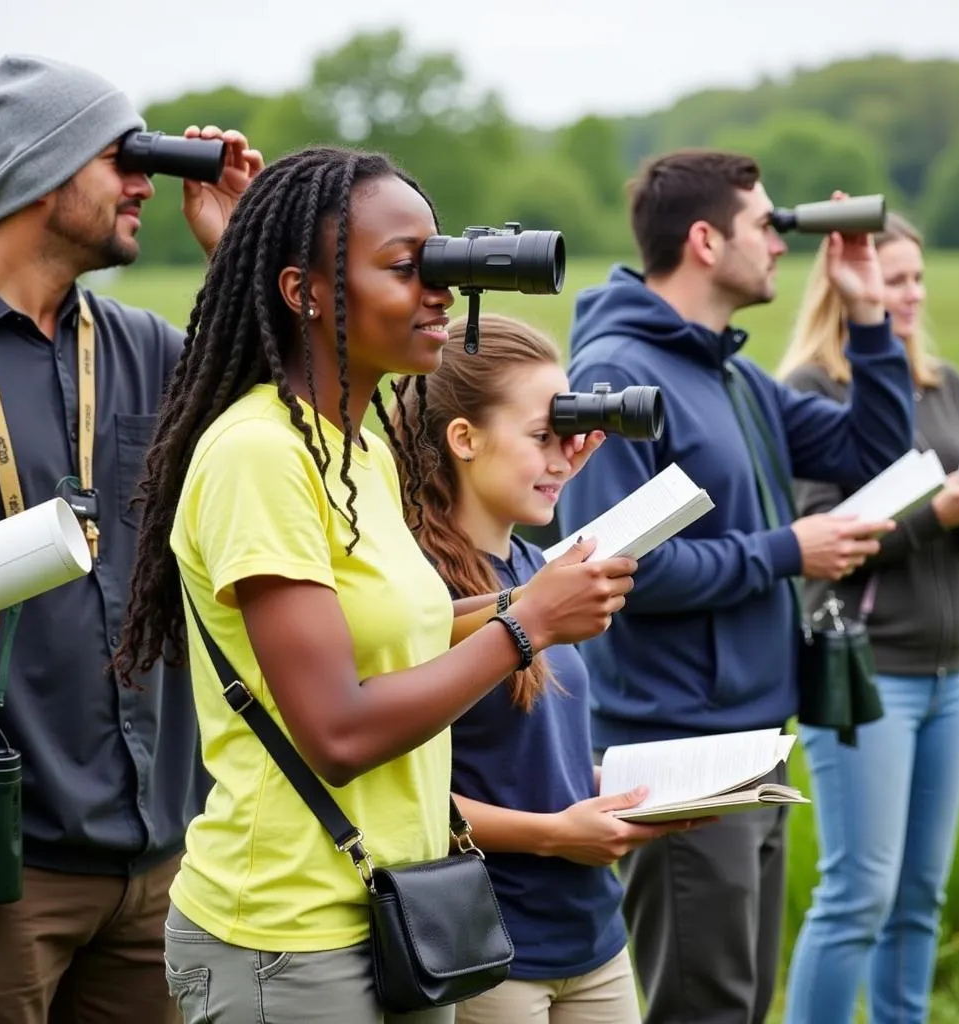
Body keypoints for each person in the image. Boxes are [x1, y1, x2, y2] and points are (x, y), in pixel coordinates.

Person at [111, 145, 638, 1024]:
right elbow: (339, 731)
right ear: (305, 292)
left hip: (399, 908)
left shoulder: (358, 448)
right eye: (406, 267)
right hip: (285, 934)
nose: (439, 291)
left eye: (441, 264)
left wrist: (526, 598)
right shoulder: (260, 457)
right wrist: (528, 627)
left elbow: (404, 627)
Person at [555, 149, 916, 1024]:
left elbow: (874, 456)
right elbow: (618, 570)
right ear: (707, 241)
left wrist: (868, 317)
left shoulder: (729, 373)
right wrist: (787, 550)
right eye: (767, 225)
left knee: (741, 1003)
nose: (782, 245)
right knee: (703, 1007)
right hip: (676, 747)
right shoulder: (618, 376)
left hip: (751, 735)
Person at [0, 54, 262, 1024]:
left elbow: (283, 438)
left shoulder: (147, 348)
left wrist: (239, 251)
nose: (148, 181)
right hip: (3, 864)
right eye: (122, 156)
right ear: (38, 170)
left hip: (159, 856)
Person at [391, 311, 706, 1024]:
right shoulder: (413, 592)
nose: (563, 457)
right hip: (487, 946)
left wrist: (623, 795)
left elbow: (535, 758)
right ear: (464, 438)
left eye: (567, 434)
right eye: (542, 436)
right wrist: (557, 832)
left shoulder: (541, 571)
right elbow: (402, 796)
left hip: (593, 937)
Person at [777, 213, 959, 1024]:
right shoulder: (813, 390)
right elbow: (815, 545)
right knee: (858, 895)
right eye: (892, 280)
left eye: (914, 281)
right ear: (848, 284)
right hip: (868, 674)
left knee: (918, 896)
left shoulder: (945, 384)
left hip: (947, 672)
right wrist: (932, 518)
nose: (905, 295)